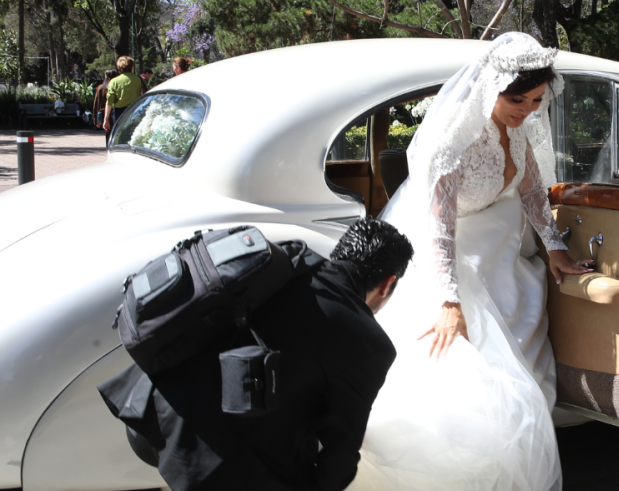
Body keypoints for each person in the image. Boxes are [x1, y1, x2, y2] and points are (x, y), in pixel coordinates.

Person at [347, 32, 588, 491]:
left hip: (507, 254)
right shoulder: (452, 143)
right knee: (472, 385)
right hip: (452, 261)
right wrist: (449, 302)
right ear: (491, 87)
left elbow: (534, 190)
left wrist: (556, 247)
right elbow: (438, 229)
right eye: (518, 99)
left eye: (538, 99)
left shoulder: (519, 129)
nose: (528, 110)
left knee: (526, 376)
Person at [98, 218, 413, 491]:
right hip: (202, 454)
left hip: (148, 409)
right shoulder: (370, 343)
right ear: (387, 284)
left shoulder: (288, 259)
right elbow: (340, 453)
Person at [103, 56, 143, 140]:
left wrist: (106, 119)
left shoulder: (114, 82)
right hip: (134, 111)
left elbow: (109, 102)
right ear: (131, 67)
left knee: (119, 137)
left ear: (119, 68)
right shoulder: (138, 80)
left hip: (119, 113)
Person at [93, 68, 118, 139]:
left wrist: (95, 120)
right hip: (117, 113)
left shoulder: (101, 88)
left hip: (106, 115)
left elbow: (97, 103)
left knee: (109, 136)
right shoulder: (118, 87)